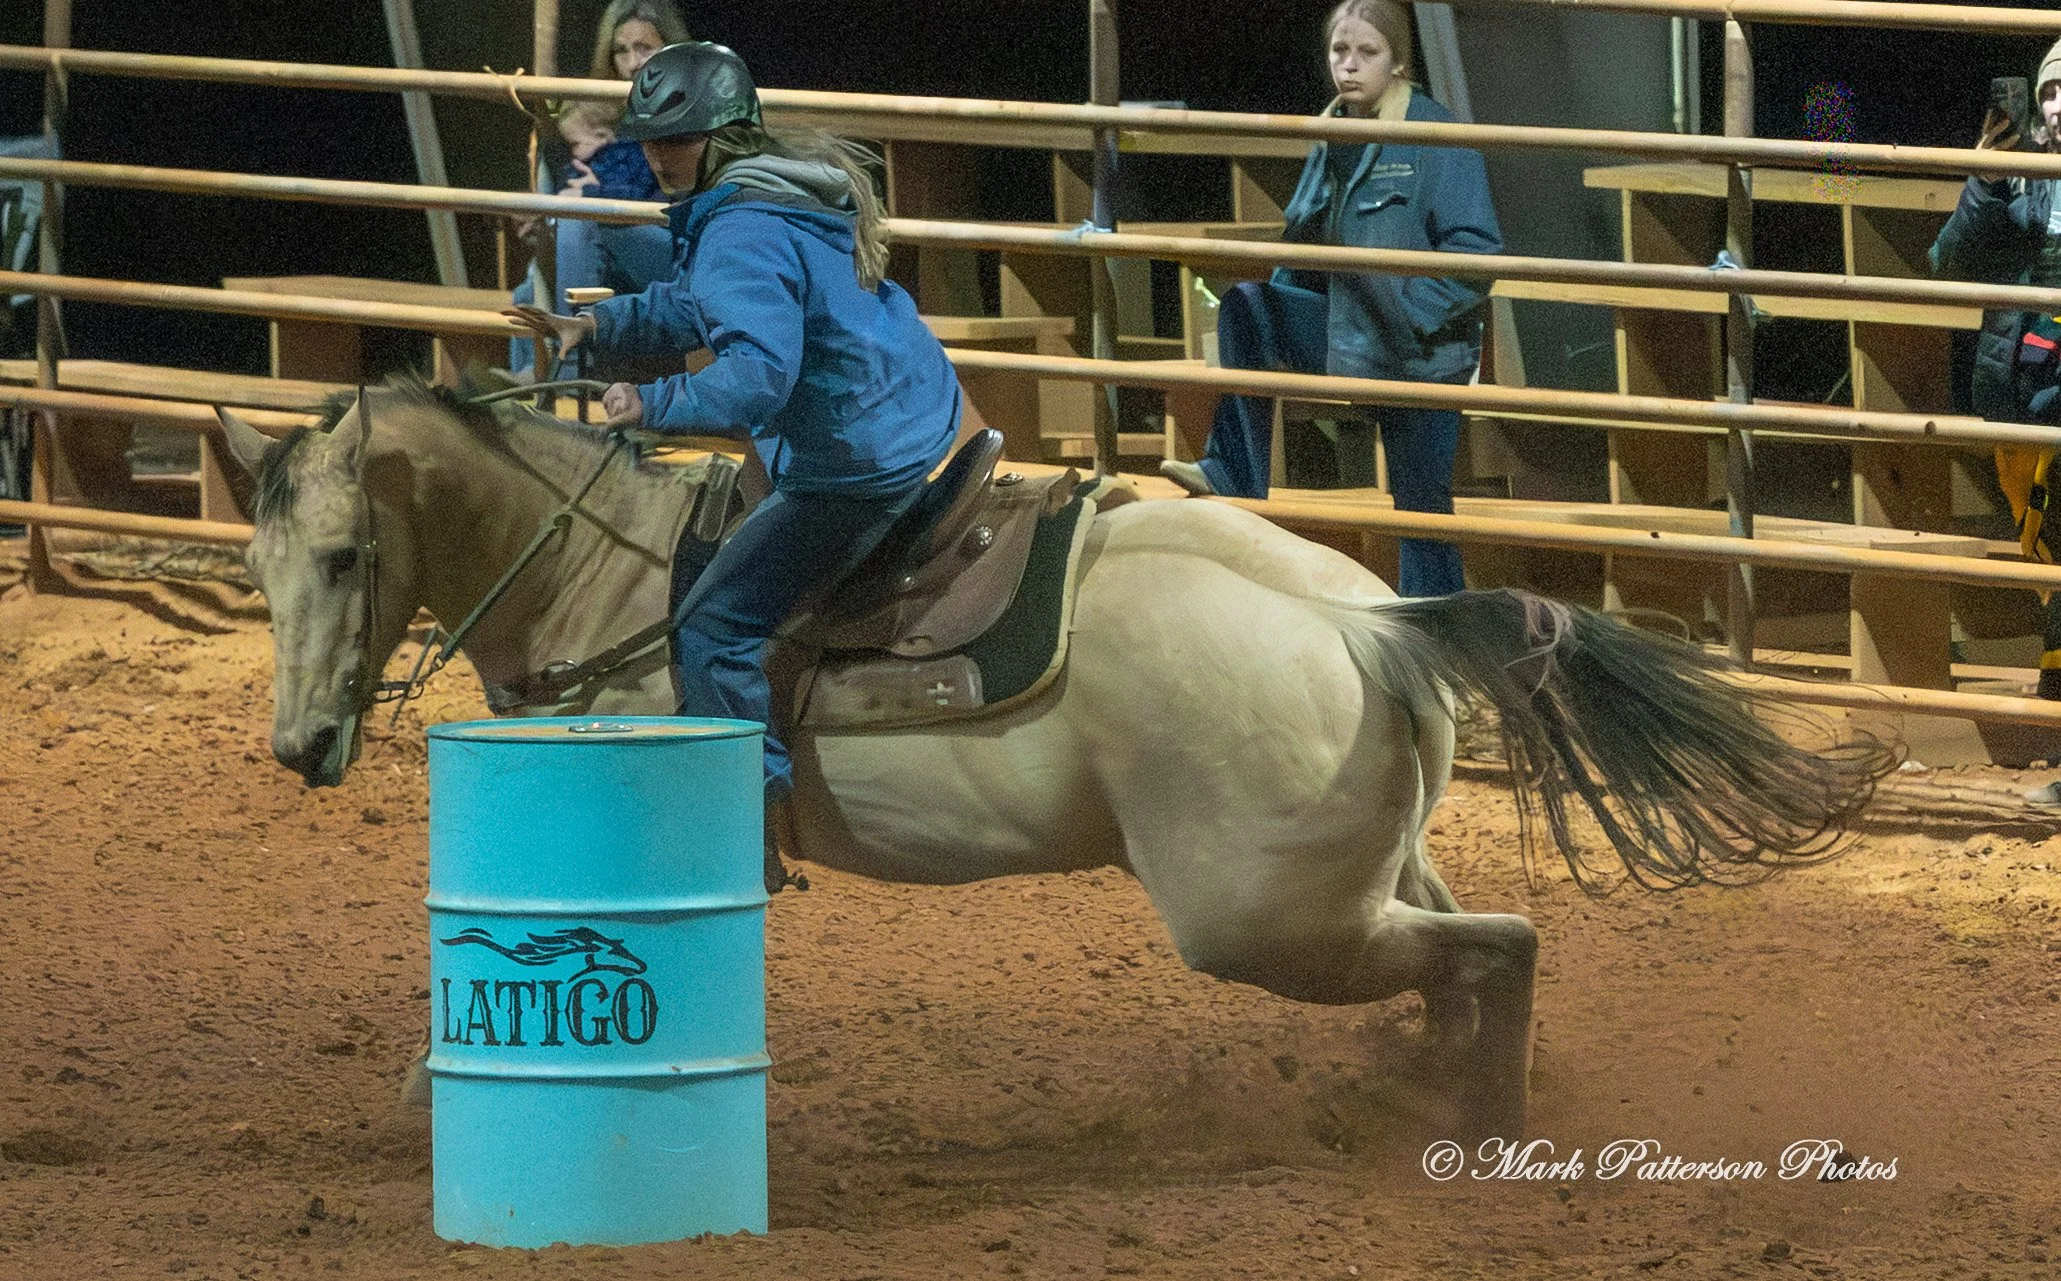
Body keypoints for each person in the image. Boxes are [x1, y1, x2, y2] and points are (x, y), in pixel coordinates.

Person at [506, 42, 961, 882]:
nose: (655, 154)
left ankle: (740, 828)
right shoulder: (768, 201)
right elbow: (699, 301)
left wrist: (656, 406)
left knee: (715, 625)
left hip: (854, 462)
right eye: (648, 140)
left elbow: (758, 372)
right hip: (904, 417)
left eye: (672, 140)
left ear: (722, 137)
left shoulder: (738, 224)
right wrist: (602, 329)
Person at [1159, 0, 1500, 598]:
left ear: (1397, 63)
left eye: (1367, 53)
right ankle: (1231, 471)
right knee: (1247, 306)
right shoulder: (1330, 133)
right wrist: (1280, 323)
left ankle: (1440, 629)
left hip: (1419, 356)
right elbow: (1299, 249)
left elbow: (1478, 254)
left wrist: (1411, 317)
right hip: (1346, 336)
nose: (1349, 66)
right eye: (1340, 52)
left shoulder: (1437, 135)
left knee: (1421, 510)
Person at [1929, 38, 2061, 706]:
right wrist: (1982, 176)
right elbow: (1946, 263)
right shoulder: (2015, 173)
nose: (2059, 104)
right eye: (2048, 90)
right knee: (2043, 551)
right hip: (2019, 387)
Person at [510, 0, 691, 373]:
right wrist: (546, 209)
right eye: (621, 51)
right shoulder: (607, 114)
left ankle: (568, 373)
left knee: (580, 218)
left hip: (675, 249)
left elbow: (665, 196)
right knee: (529, 287)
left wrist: (593, 195)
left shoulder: (684, 108)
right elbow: (579, 179)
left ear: (669, 48)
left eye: (644, 48)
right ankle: (527, 382)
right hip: (617, 241)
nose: (633, 62)